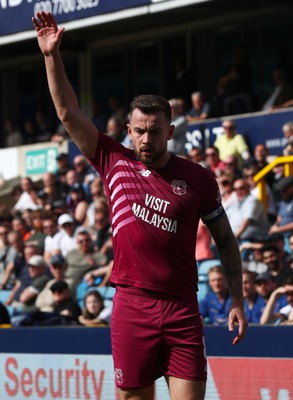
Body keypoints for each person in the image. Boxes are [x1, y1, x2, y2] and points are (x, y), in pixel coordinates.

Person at [32, 12, 247, 400]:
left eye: (155, 131)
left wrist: (237, 298)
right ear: (128, 131)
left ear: (171, 131)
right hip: (132, 307)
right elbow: (67, 113)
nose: (146, 139)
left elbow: (227, 241)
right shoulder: (112, 159)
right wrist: (51, 57)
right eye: (139, 131)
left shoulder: (197, 178)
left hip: (182, 309)